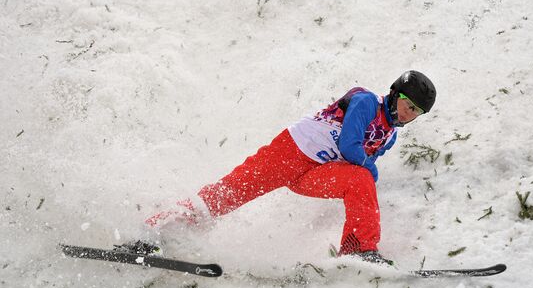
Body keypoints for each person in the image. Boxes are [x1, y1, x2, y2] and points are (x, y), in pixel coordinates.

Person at [145, 70, 436, 265]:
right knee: (229, 193)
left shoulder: (390, 135)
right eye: (406, 104)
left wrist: (367, 172)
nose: (407, 114)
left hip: (316, 173)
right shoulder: (366, 102)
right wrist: (370, 170)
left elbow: (358, 166)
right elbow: (350, 146)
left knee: (359, 180)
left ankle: (358, 250)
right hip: (290, 153)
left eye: (416, 112)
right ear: (395, 94)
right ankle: (155, 232)